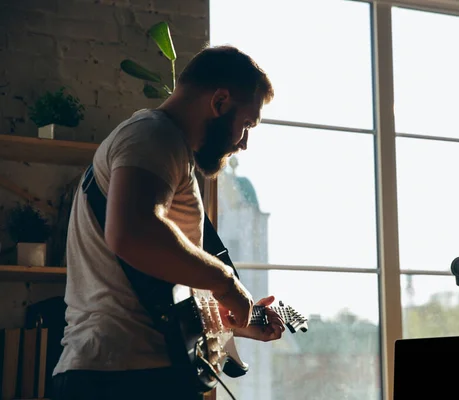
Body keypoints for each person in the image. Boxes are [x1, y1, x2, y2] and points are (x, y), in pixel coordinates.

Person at [52, 45, 285, 400]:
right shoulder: (152, 135)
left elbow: (156, 290)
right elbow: (132, 233)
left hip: (129, 372)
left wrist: (235, 321)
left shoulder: (165, 146)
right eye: (247, 124)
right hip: (122, 377)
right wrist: (226, 283)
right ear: (220, 102)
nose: (244, 142)